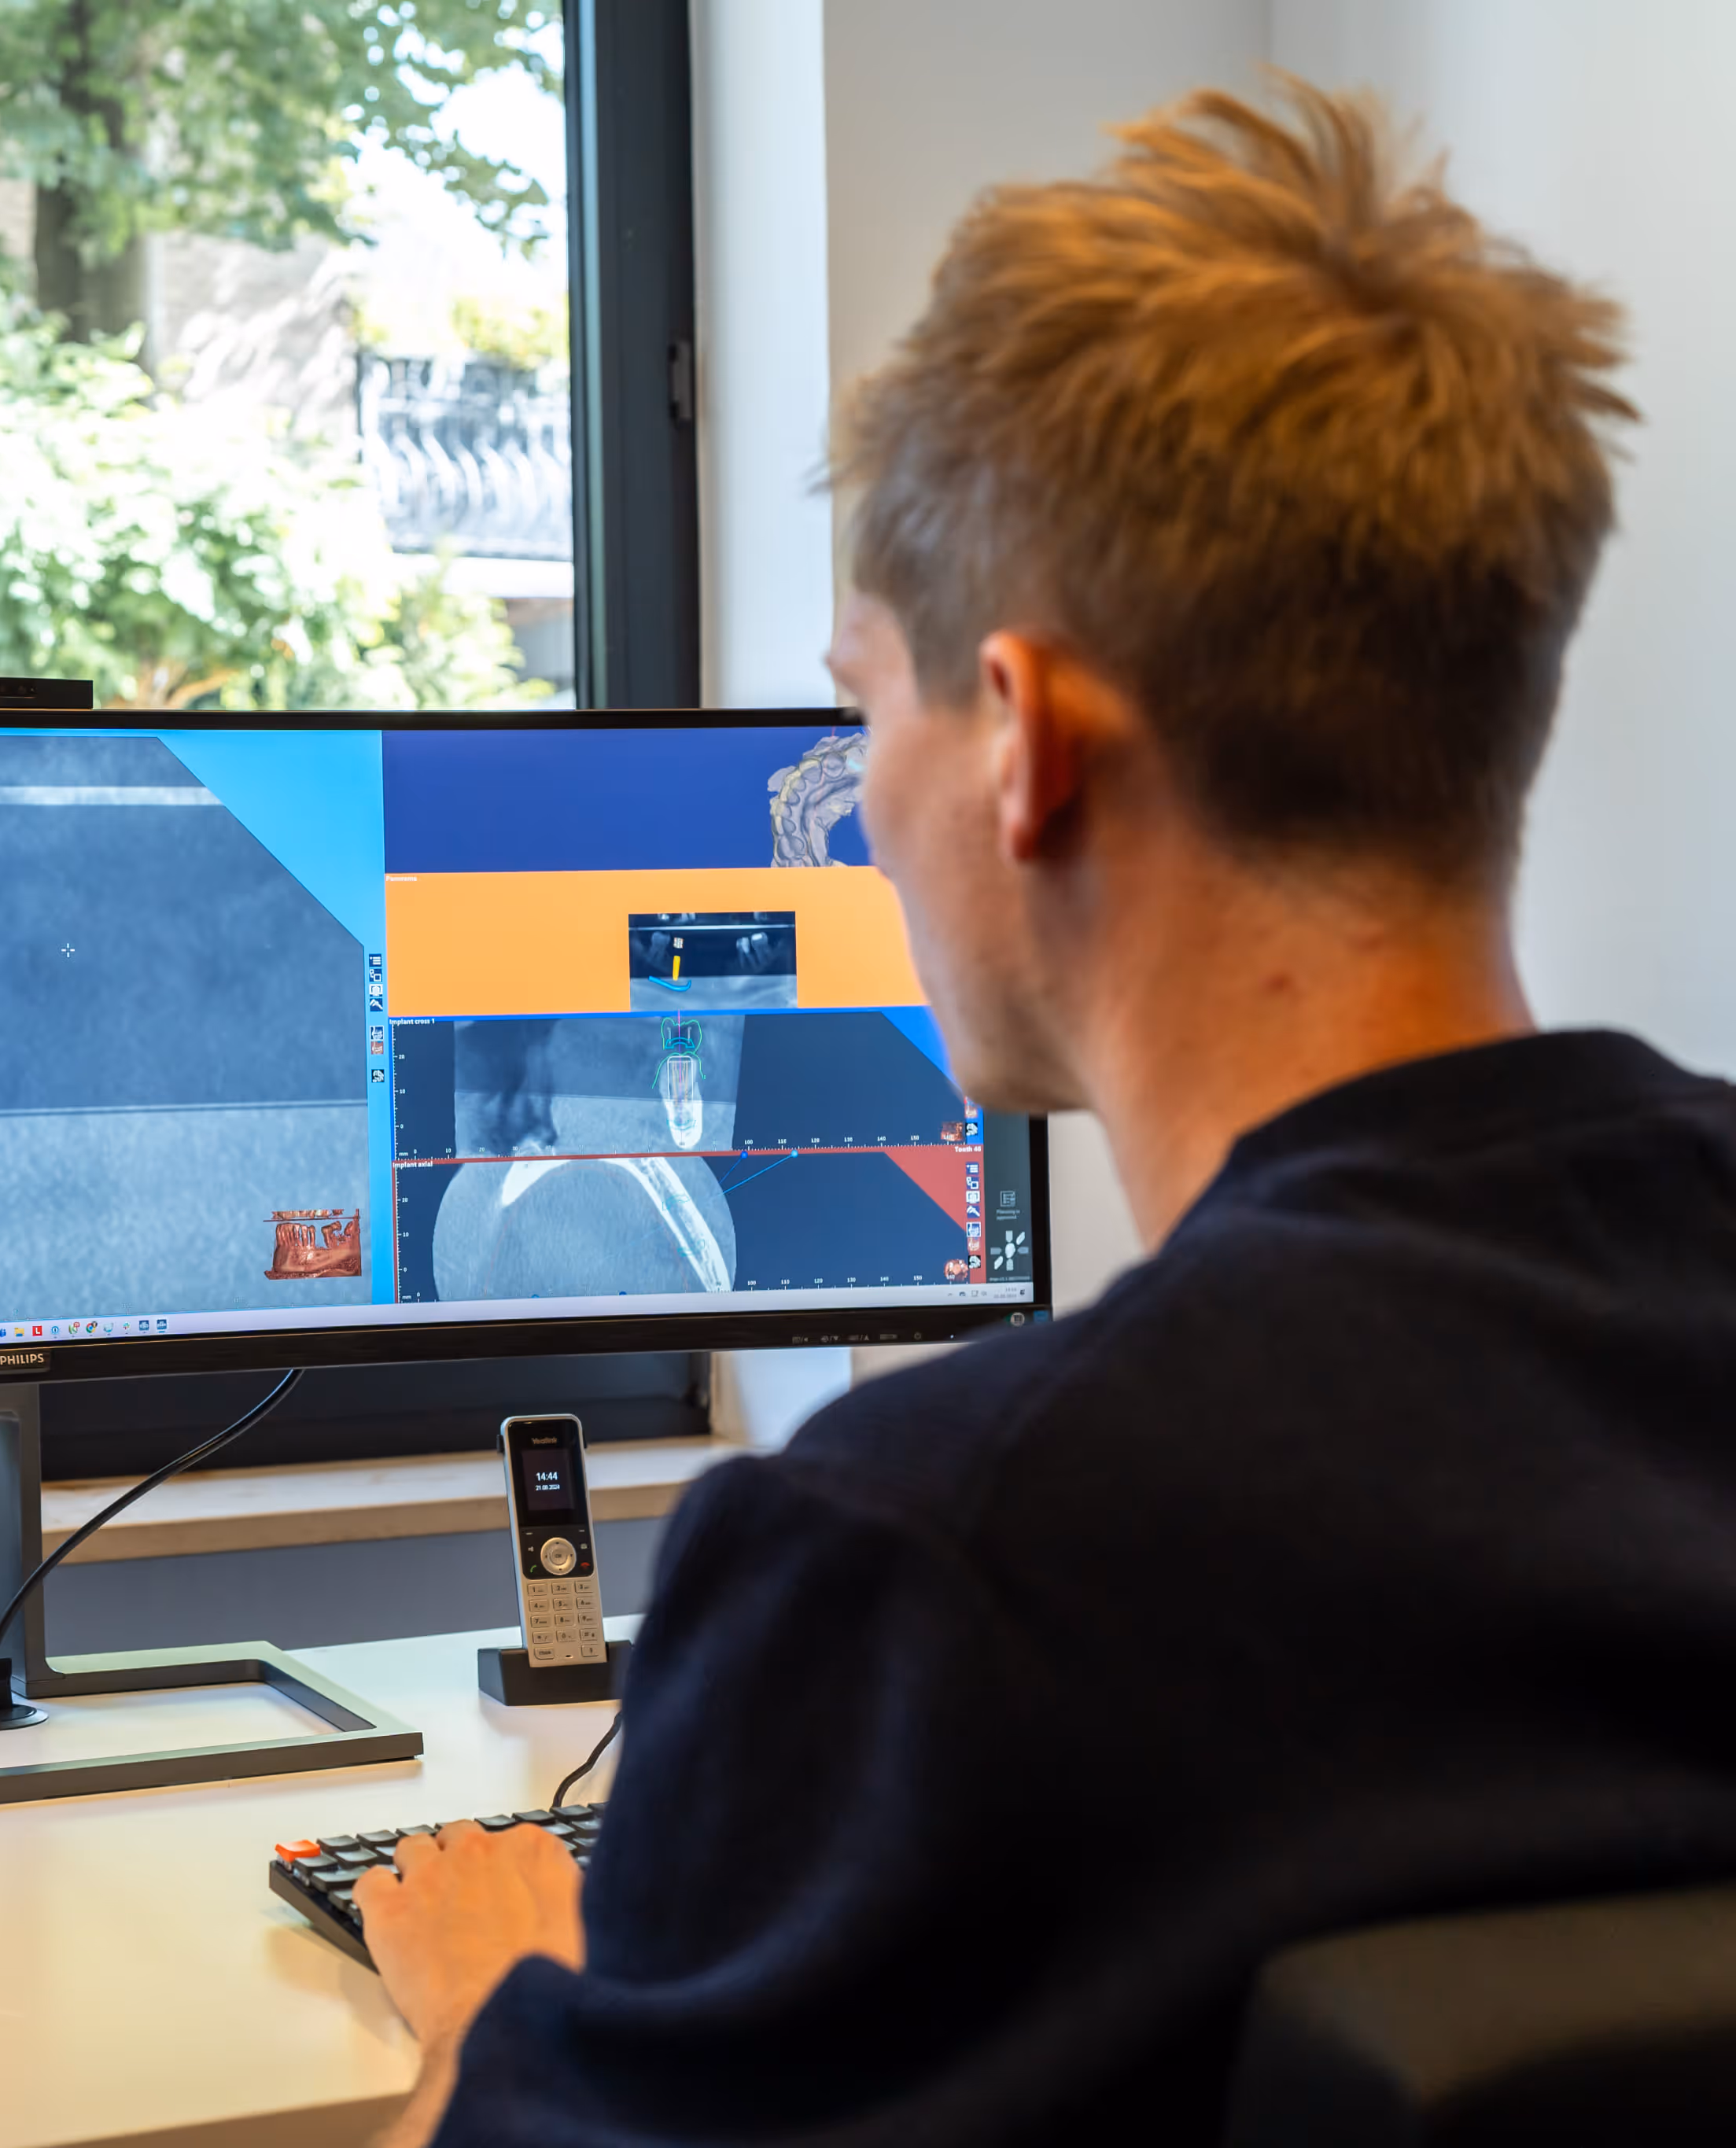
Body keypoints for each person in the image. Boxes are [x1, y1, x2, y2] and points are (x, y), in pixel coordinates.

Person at [357, 77, 1736, 2147]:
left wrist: (495, 2008)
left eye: (859, 708)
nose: (856, 809)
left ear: (1023, 741)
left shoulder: (926, 1566)